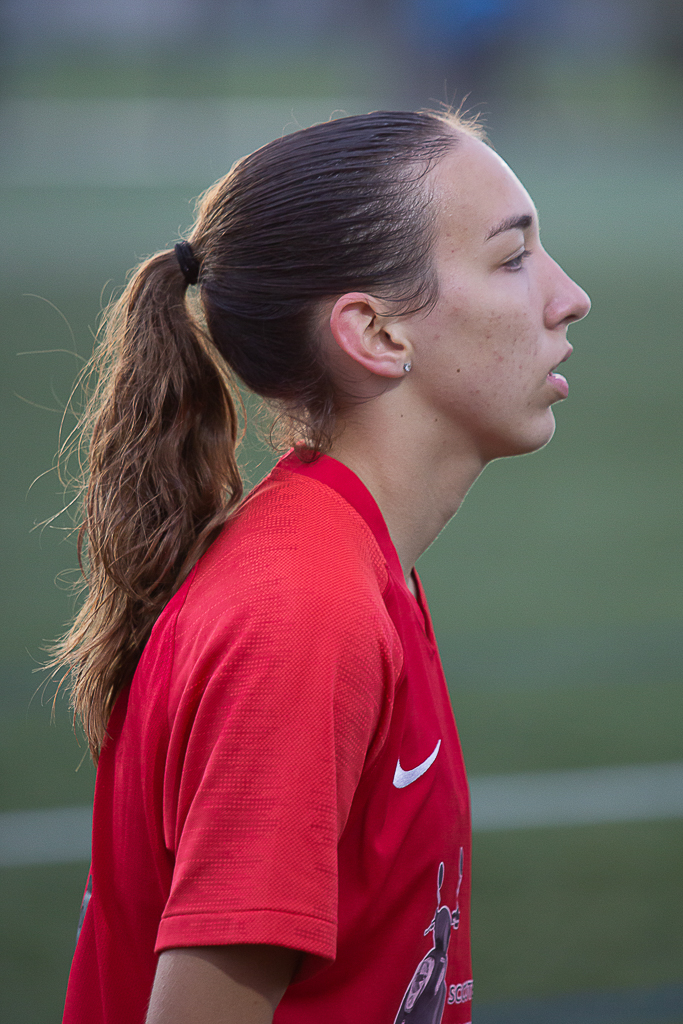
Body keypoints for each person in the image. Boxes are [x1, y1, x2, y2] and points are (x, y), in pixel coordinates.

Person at [56, 109, 590, 1024]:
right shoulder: (305, 611)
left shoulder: (347, 562)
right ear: (375, 333)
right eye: (512, 259)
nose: (568, 296)